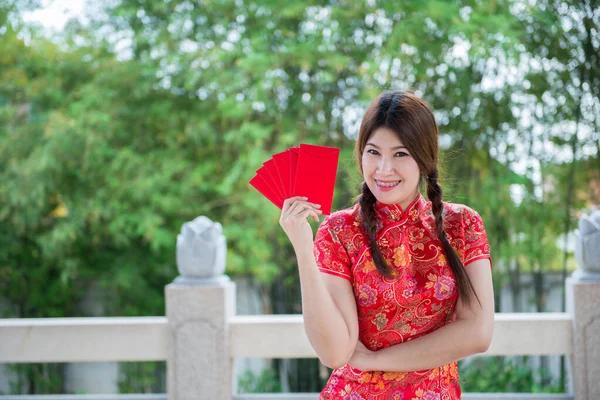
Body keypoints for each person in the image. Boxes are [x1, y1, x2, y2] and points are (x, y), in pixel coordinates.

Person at [279, 90, 494, 399]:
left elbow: (478, 333)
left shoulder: (462, 225)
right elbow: (336, 353)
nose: (383, 169)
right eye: (373, 152)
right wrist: (303, 249)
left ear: (424, 157)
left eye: (400, 154)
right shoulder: (340, 230)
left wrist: (377, 360)